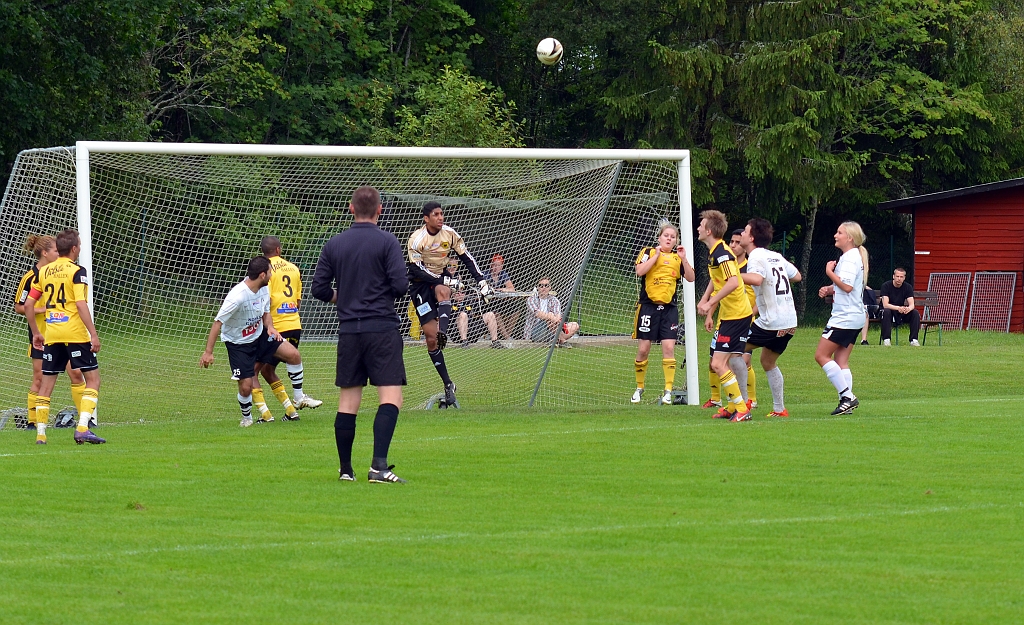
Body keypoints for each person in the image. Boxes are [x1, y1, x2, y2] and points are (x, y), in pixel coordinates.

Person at [311, 186, 410, 483]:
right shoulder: (387, 241)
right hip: (381, 329)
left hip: (349, 332)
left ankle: (345, 470)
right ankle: (378, 467)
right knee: (391, 397)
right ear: (380, 210)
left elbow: (318, 288)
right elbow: (401, 286)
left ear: (351, 208)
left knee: (347, 403)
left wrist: (342, 297)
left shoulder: (335, 243)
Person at [200, 256, 307, 427]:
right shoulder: (237, 296)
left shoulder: (263, 289)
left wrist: (270, 327)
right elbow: (217, 322)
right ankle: (247, 417)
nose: (272, 275)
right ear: (263, 275)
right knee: (245, 387)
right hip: (238, 344)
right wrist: (208, 352)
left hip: (260, 335)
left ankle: (299, 397)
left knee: (293, 354)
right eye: (271, 272)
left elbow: (265, 312)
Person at [406, 201, 492, 408]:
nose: (440, 217)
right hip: (419, 285)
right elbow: (416, 270)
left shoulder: (450, 234)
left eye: (442, 214)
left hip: (440, 281)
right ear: (426, 218)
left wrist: (481, 281)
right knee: (429, 339)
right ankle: (448, 383)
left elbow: (466, 257)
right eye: (436, 214)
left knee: (444, 292)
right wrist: (444, 279)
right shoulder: (417, 239)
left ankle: (443, 332)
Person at [23, 229, 105, 445]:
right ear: (75, 248)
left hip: (52, 333)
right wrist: (93, 334)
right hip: (74, 333)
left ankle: (40, 434)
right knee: (93, 380)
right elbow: (80, 303)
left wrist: (37, 332)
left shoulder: (44, 272)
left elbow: (29, 304)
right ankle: (82, 427)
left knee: (46, 385)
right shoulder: (78, 271)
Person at [15, 234, 90, 436]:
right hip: (41, 335)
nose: (59, 253)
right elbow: (19, 306)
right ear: (45, 253)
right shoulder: (30, 278)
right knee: (40, 378)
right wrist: (41, 310)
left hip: (62, 333)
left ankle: (86, 420)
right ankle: (33, 423)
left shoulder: (61, 273)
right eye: (56, 250)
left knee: (76, 374)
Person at [253, 236, 323, 421]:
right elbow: (297, 302)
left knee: (252, 369)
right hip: (294, 325)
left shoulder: (264, 271)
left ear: (264, 252)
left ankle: (265, 415)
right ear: (278, 250)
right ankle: (291, 412)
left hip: (273, 327)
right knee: (268, 370)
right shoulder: (293, 268)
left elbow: (262, 301)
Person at [738, 219, 802, 418]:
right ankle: (779, 409)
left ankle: (742, 404)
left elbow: (756, 279)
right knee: (767, 361)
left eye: (745, 231)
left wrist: (733, 276)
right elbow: (797, 276)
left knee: (731, 351)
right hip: (789, 322)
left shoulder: (755, 255)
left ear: (752, 237)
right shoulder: (775, 256)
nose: (741, 235)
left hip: (771, 322)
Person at [695, 211, 753, 421]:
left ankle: (742, 408)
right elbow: (715, 279)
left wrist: (710, 302)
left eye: (701, 225)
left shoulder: (722, 254)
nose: (699, 228)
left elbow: (733, 282)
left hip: (736, 315)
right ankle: (731, 406)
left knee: (718, 364)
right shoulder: (715, 252)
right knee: (720, 362)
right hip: (730, 314)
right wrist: (704, 299)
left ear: (709, 230)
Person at [631, 222, 695, 405]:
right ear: (659, 237)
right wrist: (656, 256)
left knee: (668, 348)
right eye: (666, 235)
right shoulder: (648, 252)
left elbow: (691, 278)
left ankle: (668, 390)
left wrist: (683, 258)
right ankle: (639, 387)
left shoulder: (677, 257)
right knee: (644, 349)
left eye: (672, 236)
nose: (669, 238)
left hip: (669, 309)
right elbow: (639, 271)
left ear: (676, 241)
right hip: (648, 307)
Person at [815, 221, 869, 415]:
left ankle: (847, 396)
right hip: (855, 316)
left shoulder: (848, 258)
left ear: (850, 238)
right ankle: (846, 404)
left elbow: (847, 287)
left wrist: (829, 272)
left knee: (821, 355)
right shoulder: (854, 257)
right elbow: (847, 285)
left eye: (839, 233)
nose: (835, 235)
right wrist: (829, 288)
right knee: (841, 361)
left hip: (844, 317)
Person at [730, 228, 758, 408]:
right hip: (728, 321)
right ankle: (725, 399)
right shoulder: (729, 266)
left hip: (747, 320)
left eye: (737, 242)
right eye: (731, 242)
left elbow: (760, 297)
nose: (733, 245)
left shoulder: (751, 268)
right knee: (719, 362)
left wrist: (750, 315)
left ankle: (750, 400)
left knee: (744, 360)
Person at [448, 259, 503, 349]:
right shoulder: (449, 302)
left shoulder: (469, 300)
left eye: (462, 292)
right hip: (456, 333)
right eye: (457, 293)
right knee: (463, 315)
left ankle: (495, 341)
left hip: (472, 330)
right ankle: (464, 342)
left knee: (490, 314)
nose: (460, 295)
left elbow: (478, 311)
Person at [525, 277, 580, 347]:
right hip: (536, 332)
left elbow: (558, 317)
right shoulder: (531, 299)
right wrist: (551, 317)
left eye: (546, 285)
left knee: (575, 325)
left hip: (553, 329)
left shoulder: (555, 300)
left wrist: (553, 318)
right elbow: (538, 314)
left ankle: (556, 339)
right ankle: (562, 341)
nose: (543, 288)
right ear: (537, 288)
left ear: (550, 287)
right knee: (550, 316)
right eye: (541, 286)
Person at [880, 268, 921, 346]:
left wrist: (908, 309)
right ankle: (886, 339)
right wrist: (899, 308)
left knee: (915, 313)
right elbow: (885, 304)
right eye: (897, 276)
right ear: (893, 276)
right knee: (886, 311)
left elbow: (912, 304)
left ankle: (914, 340)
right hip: (888, 311)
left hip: (900, 312)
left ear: (904, 278)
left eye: (901, 277)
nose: (899, 279)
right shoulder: (886, 286)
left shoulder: (908, 287)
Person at [482, 253, 518, 340]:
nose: (496, 267)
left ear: (501, 266)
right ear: (491, 265)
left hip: (500, 301)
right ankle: (507, 338)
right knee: (496, 314)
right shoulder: (485, 274)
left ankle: (506, 336)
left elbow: (512, 288)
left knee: (516, 311)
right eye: (494, 265)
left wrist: (504, 289)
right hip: (487, 303)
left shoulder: (503, 274)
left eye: (498, 265)